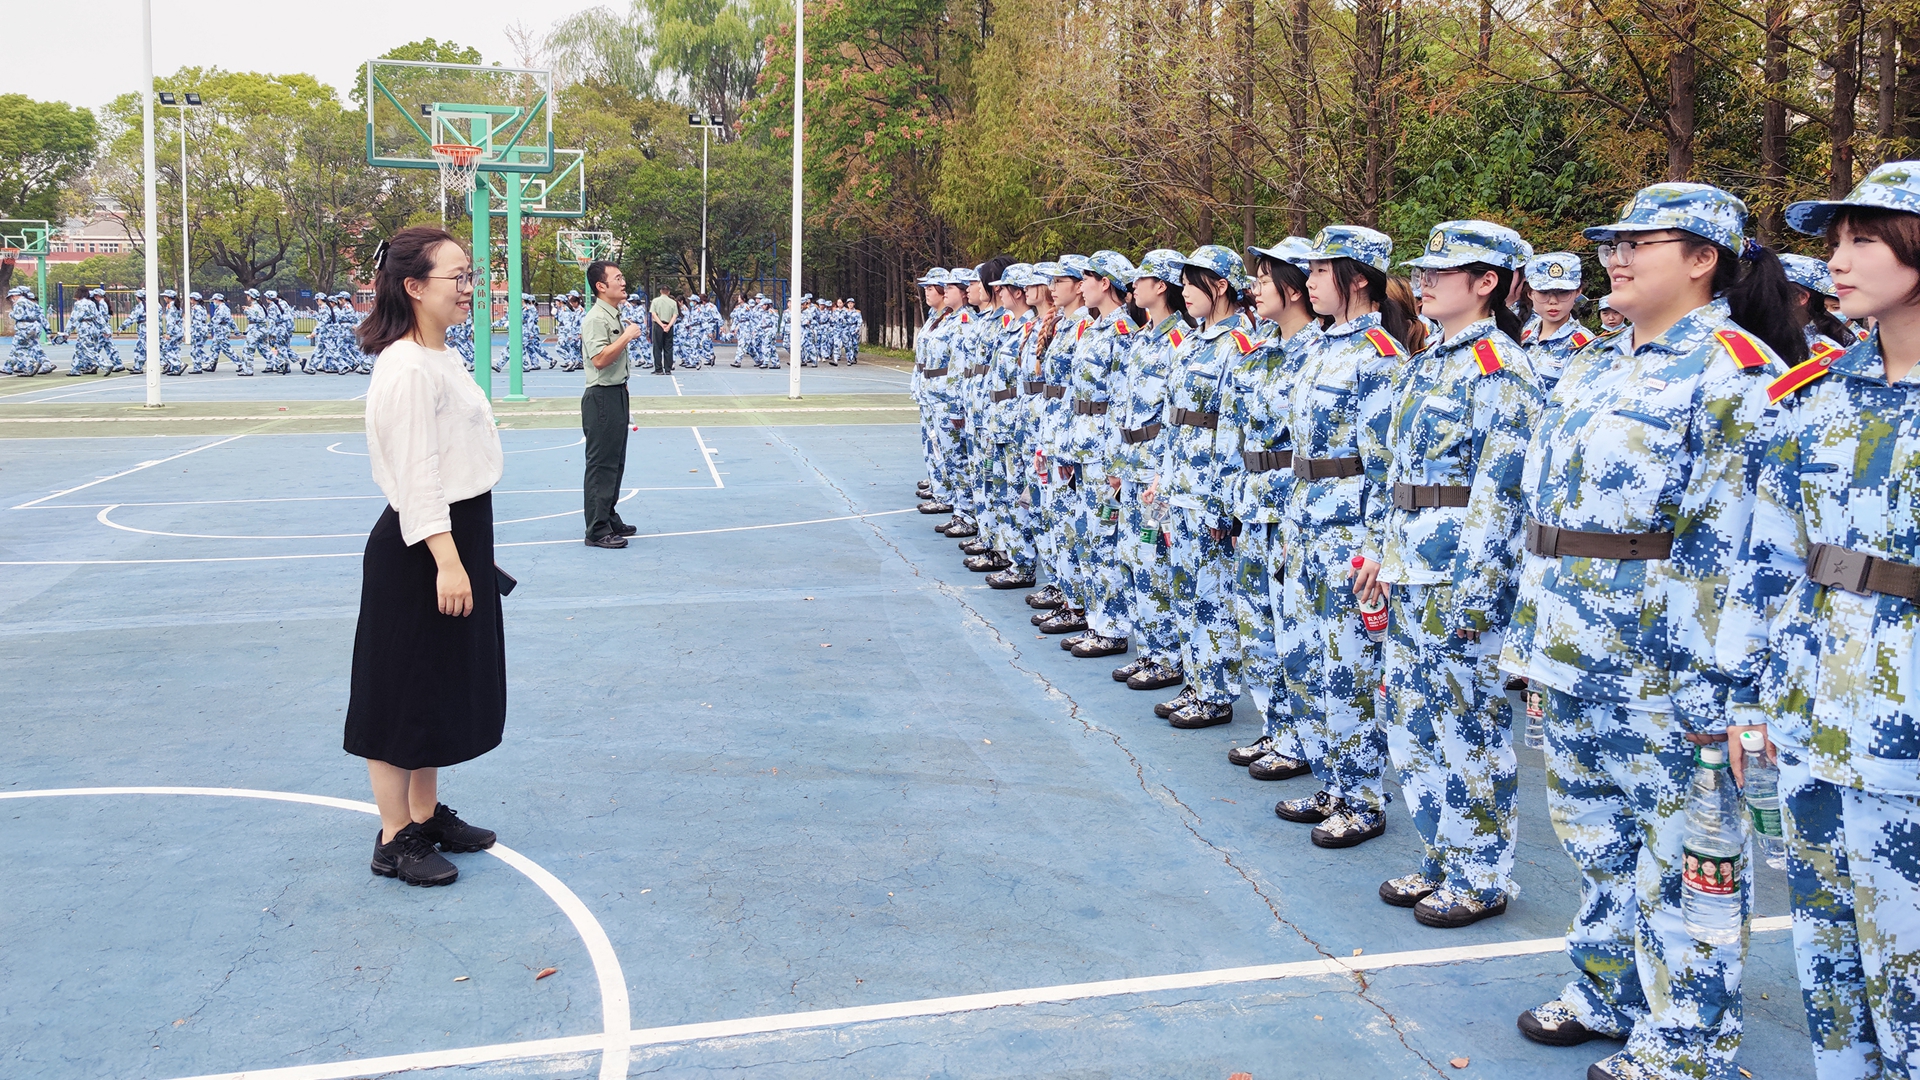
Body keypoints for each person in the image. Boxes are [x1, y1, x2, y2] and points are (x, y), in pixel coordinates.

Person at [1500, 182, 1804, 1080]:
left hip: (1667, 668)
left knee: (1686, 856)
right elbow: (1549, 511)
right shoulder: (1597, 364)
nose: (1617, 259)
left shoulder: (1735, 373)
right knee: (1596, 840)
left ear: (1704, 259)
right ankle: (1608, 992)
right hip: (1571, 647)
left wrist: (1724, 687)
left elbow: (1737, 545)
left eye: (1641, 243)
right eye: (1611, 244)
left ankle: (1689, 1038)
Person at [1732, 160, 1920, 1080]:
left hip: (1906, 723)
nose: (1837, 261)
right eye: (1835, 241)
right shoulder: (1813, 392)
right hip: (1813, 711)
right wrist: (1747, 698)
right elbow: (1768, 557)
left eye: (1864, 240)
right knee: (1829, 958)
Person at [1372, 220, 1542, 927]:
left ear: (1487, 283)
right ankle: (1442, 855)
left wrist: (1476, 594)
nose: (1425, 283)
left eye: (1443, 273)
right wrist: (1381, 557)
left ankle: (1481, 874)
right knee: (1412, 720)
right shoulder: (1429, 362)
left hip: (1458, 579)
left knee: (1467, 727)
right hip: (1412, 567)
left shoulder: (1500, 370)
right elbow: (1397, 475)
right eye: (1423, 272)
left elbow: (1502, 494)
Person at [345, 225, 505, 889]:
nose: (470, 288)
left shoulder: (441, 356)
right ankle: (394, 839)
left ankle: (424, 813)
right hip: (422, 544)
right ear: (413, 286)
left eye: (471, 276)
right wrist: (447, 558)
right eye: (457, 277)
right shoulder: (406, 366)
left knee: (435, 685)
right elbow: (415, 474)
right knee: (399, 693)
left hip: (454, 531)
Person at [1275, 224, 1408, 849]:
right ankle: (1331, 781)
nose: (1309, 282)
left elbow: (1386, 468)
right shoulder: (1320, 347)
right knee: (1307, 661)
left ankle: (1362, 798)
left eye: (1321, 271)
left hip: (1348, 534)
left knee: (1350, 669)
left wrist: (1377, 548)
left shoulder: (1380, 357)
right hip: (1305, 523)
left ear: (1356, 280)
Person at [1228, 237, 1321, 777]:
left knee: (1293, 633)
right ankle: (1277, 729)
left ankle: (1302, 741)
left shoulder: (1317, 351)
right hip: (1254, 502)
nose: (1255, 289)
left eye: (1265, 280)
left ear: (1294, 289)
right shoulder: (1262, 346)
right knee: (1258, 627)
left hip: (1291, 506)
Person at [582, 261, 645, 549]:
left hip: (616, 392)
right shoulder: (597, 319)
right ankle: (597, 529)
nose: (623, 282)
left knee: (615, 461)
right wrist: (626, 337)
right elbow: (599, 359)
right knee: (602, 465)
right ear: (601, 286)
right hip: (602, 397)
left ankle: (608, 515)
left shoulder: (613, 314)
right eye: (617, 278)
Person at [1520, 252, 1592, 394]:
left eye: (1562, 292)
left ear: (1578, 292)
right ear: (1530, 293)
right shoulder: (1525, 333)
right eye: (1544, 292)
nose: (1553, 301)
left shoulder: (1584, 346)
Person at [649, 285, 678, 375]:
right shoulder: (673, 302)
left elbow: (654, 314)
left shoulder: (655, 301)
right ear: (668, 292)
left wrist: (661, 325)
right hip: (669, 325)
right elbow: (675, 315)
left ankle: (659, 369)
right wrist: (668, 326)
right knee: (668, 347)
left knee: (657, 347)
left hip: (658, 325)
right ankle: (668, 369)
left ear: (660, 291)